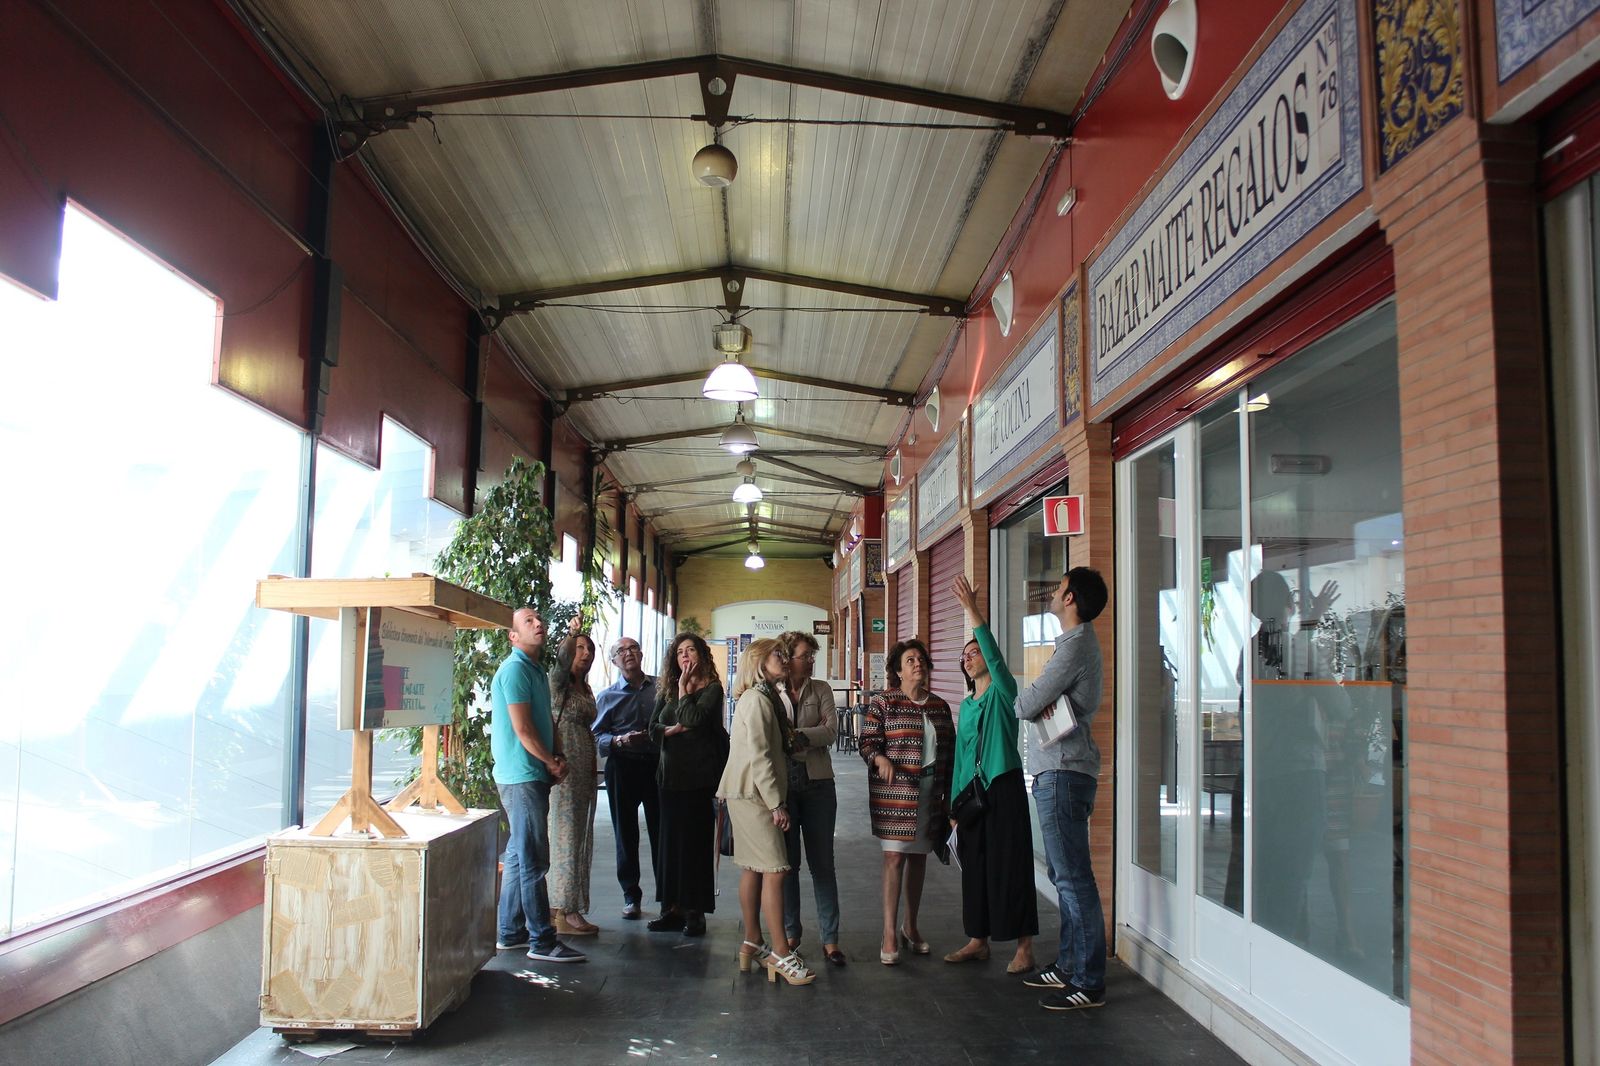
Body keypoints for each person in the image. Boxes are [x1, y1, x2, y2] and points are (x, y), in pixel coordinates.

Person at [1015, 567, 1109, 1009]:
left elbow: (1027, 703)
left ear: (1071, 598)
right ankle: (1070, 966)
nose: (1052, 593)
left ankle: (1089, 979)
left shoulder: (1074, 648)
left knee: (1073, 879)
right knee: (1064, 874)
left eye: (1058, 588)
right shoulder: (1072, 646)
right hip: (1062, 769)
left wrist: (1033, 696)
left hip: (1065, 771)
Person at [946, 575, 1038, 972]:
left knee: (1011, 864)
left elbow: (996, 658)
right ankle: (977, 939)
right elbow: (961, 758)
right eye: (964, 656)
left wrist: (973, 612)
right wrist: (953, 803)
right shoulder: (966, 706)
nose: (969, 658)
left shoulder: (1004, 691)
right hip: (972, 793)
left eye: (974, 652)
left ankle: (1023, 947)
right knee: (976, 867)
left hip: (1003, 788)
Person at [490, 607, 585, 963]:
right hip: (521, 775)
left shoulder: (534, 669)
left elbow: (546, 720)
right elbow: (523, 729)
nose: (538, 624)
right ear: (513, 637)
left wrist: (557, 756)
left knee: (517, 855)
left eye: (538, 620)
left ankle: (510, 932)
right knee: (533, 859)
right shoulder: (514, 670)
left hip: (534, 772)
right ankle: (542, 941)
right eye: (528, 622)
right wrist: (549, 761)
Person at [718, 638, 814, 986]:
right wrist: (776, 803)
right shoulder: (758, 700)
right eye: (779, 654)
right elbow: (760, 756)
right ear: (758, 661)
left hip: (742, 791)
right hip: (755, 794)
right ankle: (780, 952)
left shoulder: (759, 697)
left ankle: (752, 941)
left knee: (753, 869)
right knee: (775, 869)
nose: (786, 659)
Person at [859, 637, 955, 966]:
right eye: (910, 660)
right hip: (894, 795)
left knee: (918, 860)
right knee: (894, 859)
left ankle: (910, 926)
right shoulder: (884, 703)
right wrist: (878, 758)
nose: (917, 664)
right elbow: (867, 741)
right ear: (898, 671)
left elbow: (951, 753)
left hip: (930, 793)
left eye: (920, 660)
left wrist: (948, 798)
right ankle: (888, 931)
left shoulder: (940, 707)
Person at [647, 633, 725, 937]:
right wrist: (671, 730)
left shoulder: (712, 689)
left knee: (695, 845)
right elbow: (652, 728)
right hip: (670, 777)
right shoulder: (666, 690)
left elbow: (694, 717)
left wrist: (683, 690)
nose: (685, 656)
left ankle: (695, 911)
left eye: (691, 650)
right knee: (669, 844)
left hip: (700, 778)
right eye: (680, 652)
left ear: (701, 655)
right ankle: (671, 908)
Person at [776, 630, 845, 966]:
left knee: (823, 866)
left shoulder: (822, 689)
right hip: (784, 787)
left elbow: (831, 731)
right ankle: (791, 932)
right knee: (788, 866)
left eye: (812, 655)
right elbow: (768, 735)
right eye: (806, 655)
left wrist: (795, 735)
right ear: (788, 658)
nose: (811, 661)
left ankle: (830, 940)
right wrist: (805, 736)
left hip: (819, 785)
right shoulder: (772, 693)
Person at [591, 637, 660, 920]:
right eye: (621, 651)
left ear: (642, 654)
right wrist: (620, 740)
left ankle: (667, 897)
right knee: (625, 834)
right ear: (614, 661)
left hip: (656, 766)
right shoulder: (607, 696)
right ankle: (631, 895)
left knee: (662, 831)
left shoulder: (661, 688)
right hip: (622, 767)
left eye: (633, 648)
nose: (628, 653)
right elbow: (597, 737)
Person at [547, 626, 600, 937]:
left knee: (579, 836)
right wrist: (572, 635)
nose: (586, 653)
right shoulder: (559, 684)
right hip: (565, 766)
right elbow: (558, 663)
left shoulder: (585, 688)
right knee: (565, 836)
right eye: (579, 648)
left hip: (585, 767)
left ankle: (565, 904)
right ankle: (565, 908)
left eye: (589, 649)